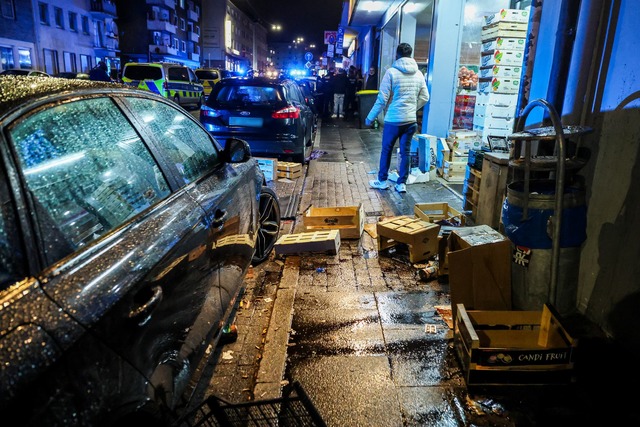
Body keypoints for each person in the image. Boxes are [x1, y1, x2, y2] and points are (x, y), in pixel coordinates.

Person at [365, 43, 429, 193]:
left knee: (386, 150)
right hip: (410, 121)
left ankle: (382, 181)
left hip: (393, 120)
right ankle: (401, 184)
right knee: (405, 151)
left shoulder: (391, 72)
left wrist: (370, 117)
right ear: (411, 54)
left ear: (397, 55)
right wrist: (412, 108)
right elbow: (425, 97)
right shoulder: (418, 74)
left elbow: (382, 99)